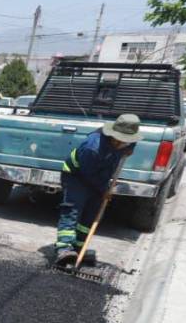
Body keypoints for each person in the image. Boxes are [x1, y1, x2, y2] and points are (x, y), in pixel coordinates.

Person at [55, 114, 141, 266]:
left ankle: (79, 249)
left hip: (99, 178)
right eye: (121, 140)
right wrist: (104, 190)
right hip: (76, 176)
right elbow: (89, 175)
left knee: (91, 213)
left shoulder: (126, 143)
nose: (124, 144)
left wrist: (129, 148)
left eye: (128, 141)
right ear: (114, 136)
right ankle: (64, 248)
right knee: (72, 210)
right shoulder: (92, 147)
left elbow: (131, 143)